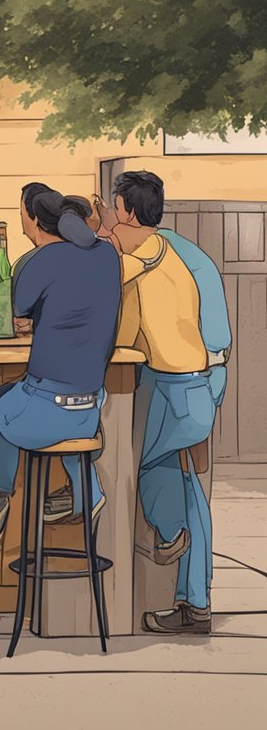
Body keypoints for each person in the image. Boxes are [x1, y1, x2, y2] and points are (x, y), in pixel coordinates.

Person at [95, 171, 227, 634]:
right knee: (187, 491)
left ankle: (170, 540)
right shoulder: (158, 257)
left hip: (182, 389)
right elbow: (128, 326)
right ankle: (195, 605)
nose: (108, 218)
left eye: (112, 209)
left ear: (127, 210)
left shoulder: (149, 248)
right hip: (177, 385)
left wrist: (102, 240)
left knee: (151, 470)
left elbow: (113, 271)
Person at [0, 186, 121, 543]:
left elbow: (18, 308)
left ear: (34, 218)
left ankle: (0, 496)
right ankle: (85, 489)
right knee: (56, 411)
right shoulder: (106, 254)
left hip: (44, 408)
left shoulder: (42, 260)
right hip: (90, 408)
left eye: (21, 213)